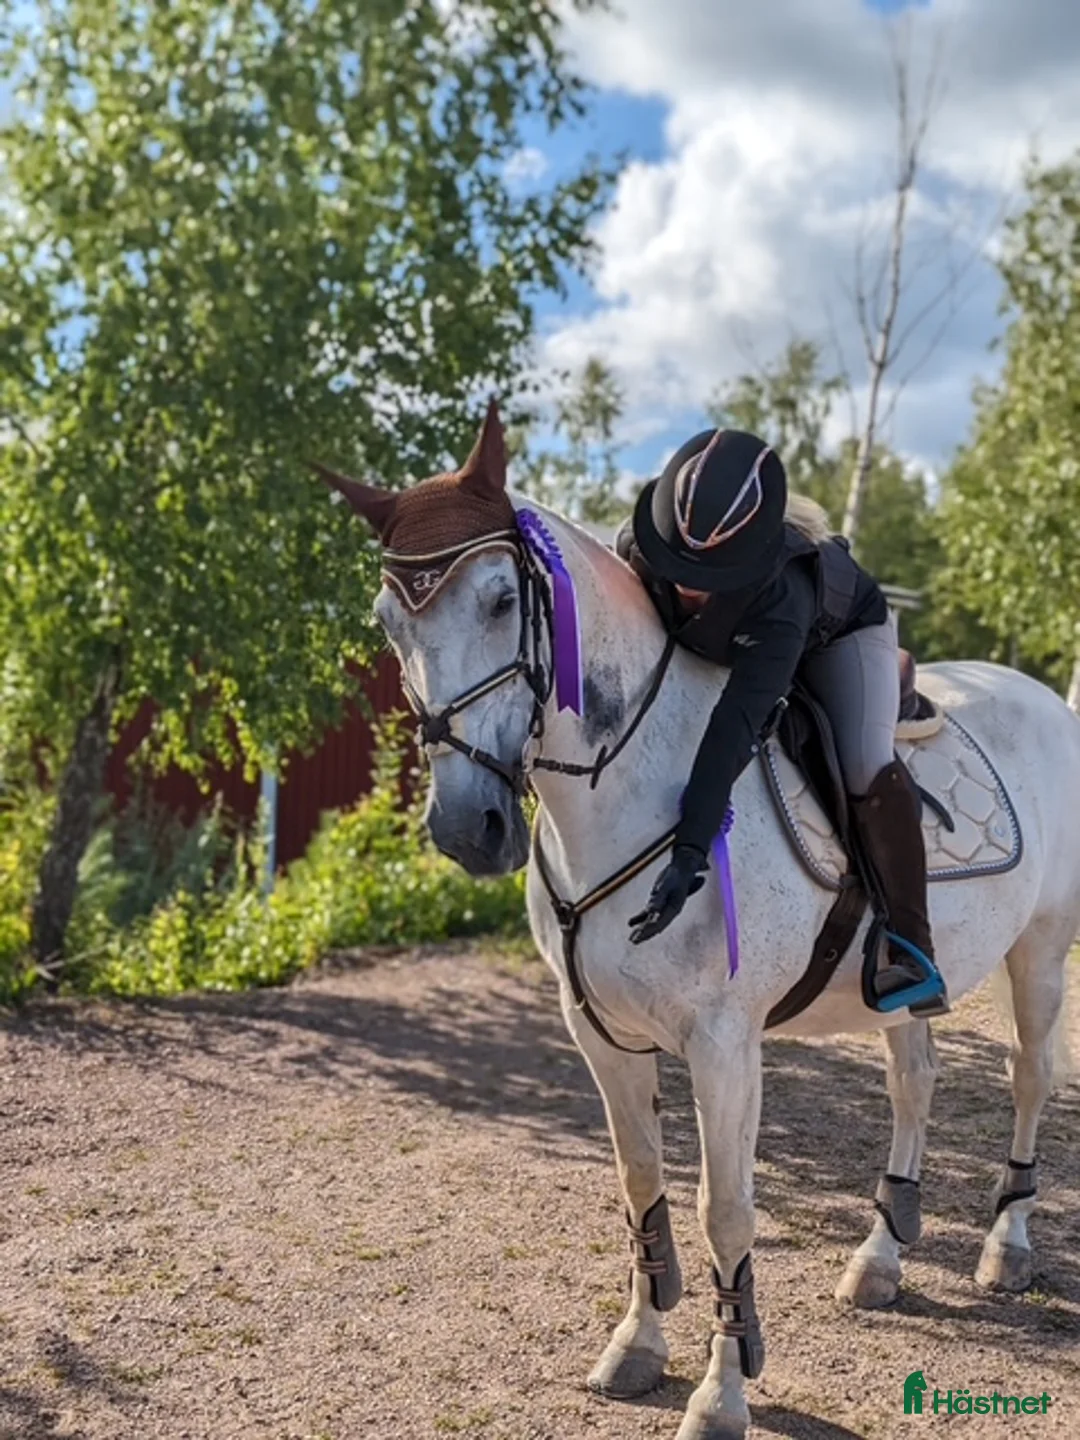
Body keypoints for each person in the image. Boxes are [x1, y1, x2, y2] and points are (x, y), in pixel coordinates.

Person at [616, 427, 947, 1016]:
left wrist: (691, 853)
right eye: (676, 565)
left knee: (864, 765)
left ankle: (911, 945)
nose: (688, 585)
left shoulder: (780, 596)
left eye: (709, 575)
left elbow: (735, 724)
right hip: (737, 640)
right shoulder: (637, 548)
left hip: (840, 635)